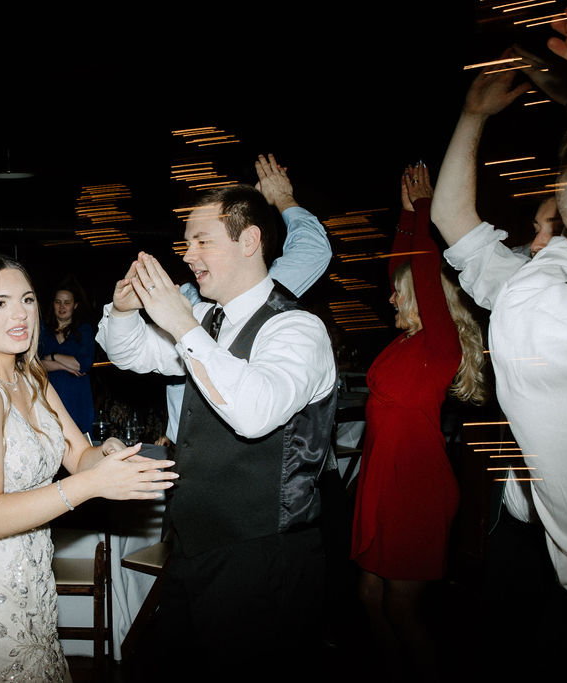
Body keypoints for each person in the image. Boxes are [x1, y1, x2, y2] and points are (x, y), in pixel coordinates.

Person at [95, 182, 337, 676]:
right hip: (194, 544)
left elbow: (254, 414)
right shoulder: (207, 319)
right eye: (187, 242)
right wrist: (123, 310)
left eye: (202, 241)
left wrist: (183, 328)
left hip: (264, 553)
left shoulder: (295, 329)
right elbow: (132, 353)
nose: (188, 255)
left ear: (249, 241)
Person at [0, 254, 176, 681]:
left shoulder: (30, 377)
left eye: (27, 299)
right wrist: (90, 486)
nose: (20, 313)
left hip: (30, 581)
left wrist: (103, 456)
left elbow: (76, 455)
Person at [431, 56, 567, 611]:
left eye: (555, 228)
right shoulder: (533, 294)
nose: (537, 243)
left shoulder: (535, 299)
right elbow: (453, 220)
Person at [350, 163, 487, 677]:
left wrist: (426, 212)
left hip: (415, 487)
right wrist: (405, 218)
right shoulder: (406, 343)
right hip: (382, 482)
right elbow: (400, 268)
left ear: (419, 302)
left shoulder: (438, 346)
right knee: (369, 595)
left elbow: (422, 273)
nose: (390, 295)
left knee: (401, 607)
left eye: (398, 293)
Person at [158, 154, 332, 446]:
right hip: (185, 457)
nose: (190, 254)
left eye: (205, 240)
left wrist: (278, 202)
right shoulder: (186, 295)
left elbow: (314, 249)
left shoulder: (267, 293)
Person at [39, 278, 96, 434]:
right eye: (58, 302)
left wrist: (51, 356)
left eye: (67, 302)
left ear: (75, 305)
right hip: (48, 395)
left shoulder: (84, 330)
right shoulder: (42, 330)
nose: (62, 307)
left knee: (79, 442)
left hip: (77, 396)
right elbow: (35, 364)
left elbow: (82, 364)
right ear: (53, 304)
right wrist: (65, 364)